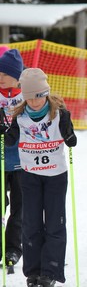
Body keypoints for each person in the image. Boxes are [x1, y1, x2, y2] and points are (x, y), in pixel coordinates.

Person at [2, 68, 77, 287]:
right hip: (30, 175)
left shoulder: (58, 112)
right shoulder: (20, 115)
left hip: (55, 175)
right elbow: (9, 140)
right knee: (31, 223)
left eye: (38, 97)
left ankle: (50, 271)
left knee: (54, 223)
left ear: (46, 93)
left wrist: (69, 133)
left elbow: (71, 140)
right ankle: (33, 272)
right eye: (29, 98)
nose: (34, 103)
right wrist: (4, 133)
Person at [0, 48, 24, 267]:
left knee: (20, 206)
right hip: (0, 160)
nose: (0, 77)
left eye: (5, 74)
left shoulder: (26, 95)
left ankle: (14, 249)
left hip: (21, 159)